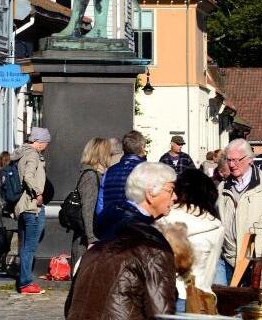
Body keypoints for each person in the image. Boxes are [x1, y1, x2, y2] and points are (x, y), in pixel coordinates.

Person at [65, 162, 178, 319]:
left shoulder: (99, 243)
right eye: (171, 190)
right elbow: (161, 313)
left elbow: (71, 305)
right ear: (151, 192)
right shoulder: (152, 245)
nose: (175, 197)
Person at [157, 168, 224, 313]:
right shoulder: (216, 226)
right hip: (201, 298)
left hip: (170, 295)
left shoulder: (164, 220)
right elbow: (210, 270)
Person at [216, 138, 262, 285]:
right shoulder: (222, 187)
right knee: (233, 304)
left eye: (236, 160)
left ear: (249, 159)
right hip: (231, 259)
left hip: (258, 259)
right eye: (229, 160)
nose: (232, 165)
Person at [11, 126, 50, 295]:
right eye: (46, 142)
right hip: (31, 206)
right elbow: (28, 176)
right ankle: (26, 283)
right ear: (39, 142)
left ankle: (23, 280)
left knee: (25, 245)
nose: (47, 146)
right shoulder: (33, 155)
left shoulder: (22, 153)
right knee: (30, 247)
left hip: (21, 206)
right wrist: (38, 193)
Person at [71, 137, 111, 268]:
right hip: (86, 240)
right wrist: (91, 239)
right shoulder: (91, 176)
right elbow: (87, 210)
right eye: (108, 152)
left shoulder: (96, 174)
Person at [96, 130, 146, 216]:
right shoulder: (146, 170)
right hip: (137, 224)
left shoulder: (109, 171)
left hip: (111, 223)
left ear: (123, 148)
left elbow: (100, 204)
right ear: (142, 147)